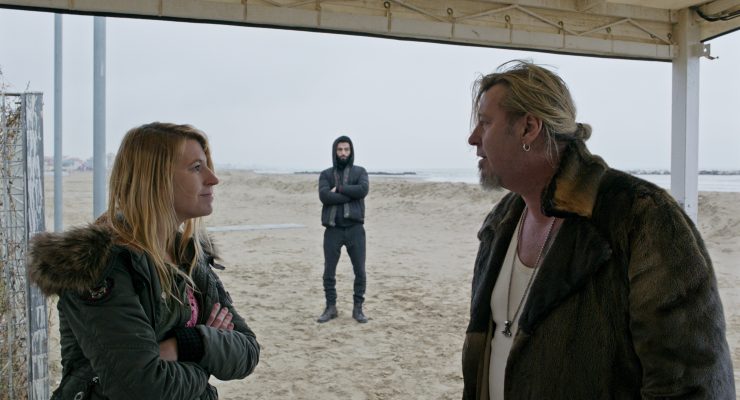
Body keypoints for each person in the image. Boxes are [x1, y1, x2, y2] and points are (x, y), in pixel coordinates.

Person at [462, 60, 734, 399]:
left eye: (485, 123)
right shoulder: (501, 221)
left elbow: (690, 380)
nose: (473, 138)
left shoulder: (640, 216)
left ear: (528, 128)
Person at [28, 122, 259, 399]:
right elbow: (142, 387)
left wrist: (187, 344)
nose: (213, 178)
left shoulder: (188, 255)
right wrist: (205, 362)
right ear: (155, 179)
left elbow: (248, 350)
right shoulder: (100, 266)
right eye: (197, 167)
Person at [317, 135, 370, 323]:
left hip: (355, 229)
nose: (343, 153)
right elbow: (324, 196)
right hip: (333, 229)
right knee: (329, 272)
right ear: (335, 152)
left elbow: (362, 190)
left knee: (360, 271)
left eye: (346, 149)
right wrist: (351, 193)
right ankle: (331, 307)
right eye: (340, 150)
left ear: (351, 151)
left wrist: (339, 189)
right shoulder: (325, 174)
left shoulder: (360, 172)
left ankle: (358, 309)